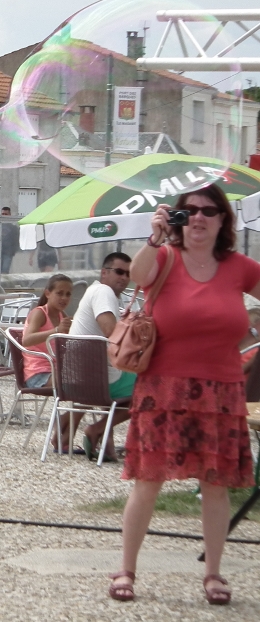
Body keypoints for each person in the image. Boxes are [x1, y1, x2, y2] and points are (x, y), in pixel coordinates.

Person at [109, 185, 260, 605]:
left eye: (209, 211)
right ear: (177, 218)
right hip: (164, 388)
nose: (198, 218)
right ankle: (127, 569)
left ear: (223, 220)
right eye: (189, 211)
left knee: (216, 485)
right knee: (148, 481)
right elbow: (137, 278)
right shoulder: (164, 257)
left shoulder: (240, 268)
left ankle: (213, 574)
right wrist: (154, 237)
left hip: (223, 391)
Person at [66, 252, 134, 461]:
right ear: (104, 273)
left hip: (76, 378)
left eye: (128, 273)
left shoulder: (94, 291)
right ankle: (96, 429)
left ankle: (106, 445)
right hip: (95, 380)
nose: (123, 277)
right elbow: (110, 331)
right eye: (119, 272)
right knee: (151, 389)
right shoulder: (104, 292)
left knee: (119, 372)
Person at [20, 273, 72, 394]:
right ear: (48, 293)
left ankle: (72, 413)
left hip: (55, 371)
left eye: (68, 294)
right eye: (60, 293)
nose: (64, 298)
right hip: (37, 374)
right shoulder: (40, 313)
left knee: (89, 379)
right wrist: (56, 330)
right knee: (77, 382)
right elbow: (26, 340)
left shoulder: (62, 315)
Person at [0, 207, 19, 275]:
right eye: (3, 214)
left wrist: (13, 251)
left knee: (5, 269)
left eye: (6, 214)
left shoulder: (13, 228)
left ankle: (3, 283)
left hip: (8, 253)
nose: (4, 215)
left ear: (9, 215)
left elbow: (16, 240)